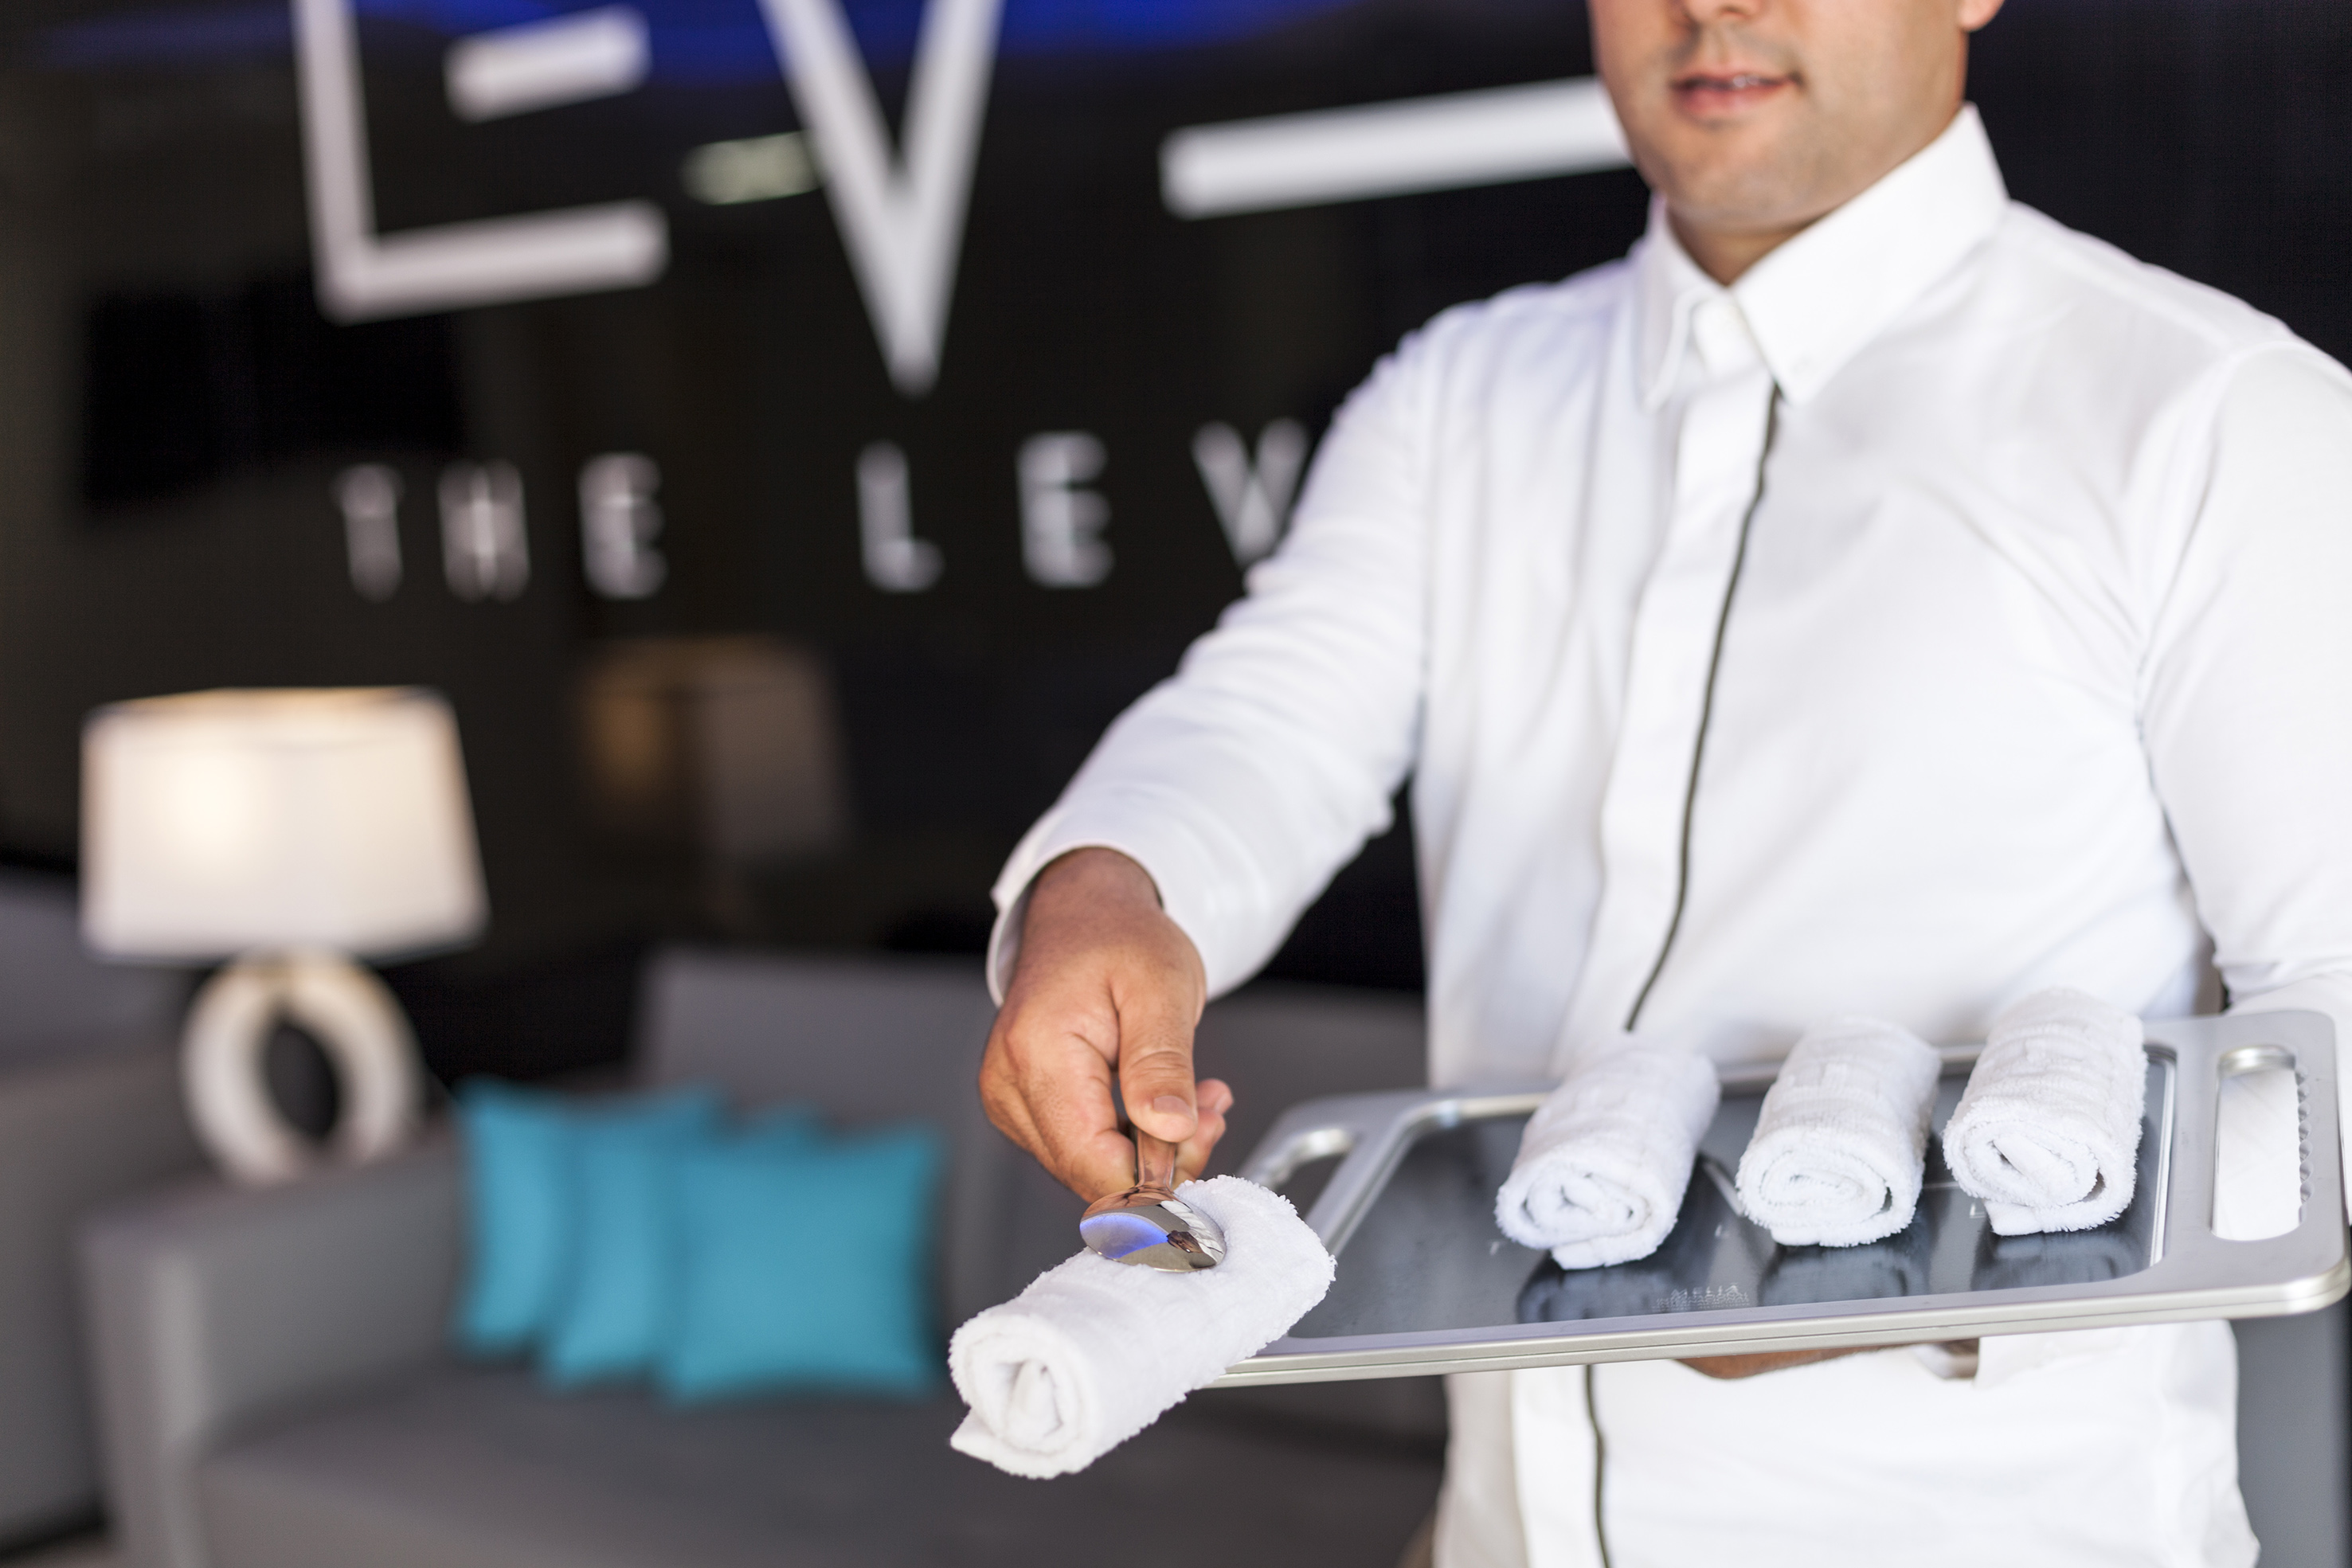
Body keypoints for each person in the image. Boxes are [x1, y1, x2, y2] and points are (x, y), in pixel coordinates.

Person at [977, 0, 2352, 1561]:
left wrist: (1919, 1274)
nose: (1714, 6)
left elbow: (2332, 1015)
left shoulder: (2211, 416)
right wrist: (1103, 888)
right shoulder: (1455, 398)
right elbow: (1268, 721)